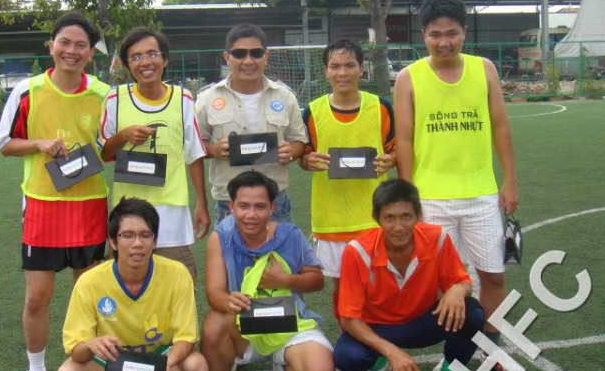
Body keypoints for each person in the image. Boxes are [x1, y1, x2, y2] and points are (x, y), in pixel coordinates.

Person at [393, 0, 523, 371]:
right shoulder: (408, 77)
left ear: (464, 32)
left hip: (481, 193)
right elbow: (404, 139)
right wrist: (408, 196)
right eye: (435, 34)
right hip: (431, 198)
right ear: (423, 35)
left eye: (451, 33)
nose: (444, 42)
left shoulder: (484, 69)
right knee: (438, 286)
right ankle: (453, 357)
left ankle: (490, 351)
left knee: (493, 275)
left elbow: (500, 124)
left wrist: (509, 179)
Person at [0, 12, 110, 371]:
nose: (72, 51)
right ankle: (36, 369)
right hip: (43, 207)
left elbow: (109, 147)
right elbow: (4, 143)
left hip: (89, 207)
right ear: (52, 45)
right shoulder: (27, 91)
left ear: (90, 53)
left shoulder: (101, 93)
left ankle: (83, 370)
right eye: (65, 42)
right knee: (37, 299)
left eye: (81, 45)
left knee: (88, 296)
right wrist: (39, 143)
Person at [334, 179, 485, 371]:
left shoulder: (436, 237)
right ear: (376, 218)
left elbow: (463, 281)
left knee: (472, 313)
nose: (398, 226)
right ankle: (377, 366)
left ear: (418, 215)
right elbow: (349, 319)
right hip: (377, 328)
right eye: (389, 217)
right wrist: (392, 352)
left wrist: (458, 288)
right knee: (348, 359)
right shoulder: (357, 251)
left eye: (406, 216)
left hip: (421, 322)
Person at [196, 171, 334, 371]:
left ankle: (282, 362)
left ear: (272, 208)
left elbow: (317, 281)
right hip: (245, 327)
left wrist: (285, 280)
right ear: (231, 207)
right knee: (214, 323)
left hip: (288, 321)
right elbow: (214, 293)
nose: (251, 214)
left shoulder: (289, 234)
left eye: (260, 206)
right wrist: (228, 302)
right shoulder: (221, 236)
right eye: (244, 206)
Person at [54, 198, 208, 371]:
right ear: (113, 242)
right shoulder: (89, 281)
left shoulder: (177, 274)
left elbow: (186, 338)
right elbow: (76, 350)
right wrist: (91, 345)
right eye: (128, 235)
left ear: (155, 240)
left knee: (197, 370)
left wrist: (167, 364)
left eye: (145, 235)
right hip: (110, 360)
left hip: (160, 355)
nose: (138, 243)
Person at [98, 27, 210, 280]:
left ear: (165, 59)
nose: (145, 62)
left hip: (171, 208)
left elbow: (193, 154)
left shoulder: (184, 99)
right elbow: (104, 152)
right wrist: (124, 135)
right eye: (136, 57)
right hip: (127, 209)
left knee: (177, 281)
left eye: (152, 54)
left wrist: (201, 202)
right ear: (127, 64)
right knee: (126, 285)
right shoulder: (115, 98)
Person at [299, 38, 396, 317]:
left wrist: (393, 159)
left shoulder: (381, 107)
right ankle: (354, 347)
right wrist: (307, 161)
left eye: (350, 65)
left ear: (361, 68)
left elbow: (397, 150)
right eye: (335, 66)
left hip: (374, 219)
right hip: (332, 220)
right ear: (326, 71)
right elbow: (303, 156)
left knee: (379, 286)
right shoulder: (313, 111)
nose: (343, 73)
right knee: (342, 288)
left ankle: (378, 350)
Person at [195, 24, 307, 224]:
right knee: (231, 257)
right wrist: (214, 149)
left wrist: (289, 151)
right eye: (239, 54)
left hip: (275, 202)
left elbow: (299, 142)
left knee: (277, 257)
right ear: (227, 57)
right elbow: (194, 146)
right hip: (229, 203)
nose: (248, 61)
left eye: (256, 53)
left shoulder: (285, 96)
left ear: (266, 56)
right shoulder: (206, 99)